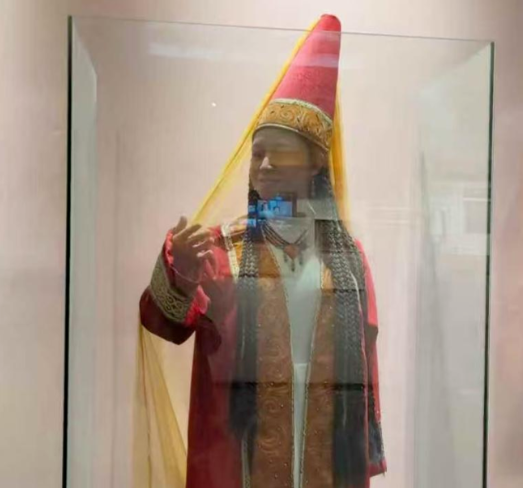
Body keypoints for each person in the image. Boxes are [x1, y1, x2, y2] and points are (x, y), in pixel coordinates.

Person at [140, 14, 385, 488]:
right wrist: (180, 272)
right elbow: (161, 322)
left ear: (316, 161)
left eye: (280, 152)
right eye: (258, 154)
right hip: (241, 451)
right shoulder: (222, 250)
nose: (265, 165)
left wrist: (365, 447)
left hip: (325, 445)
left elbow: (365, 369)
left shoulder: (348, 259)